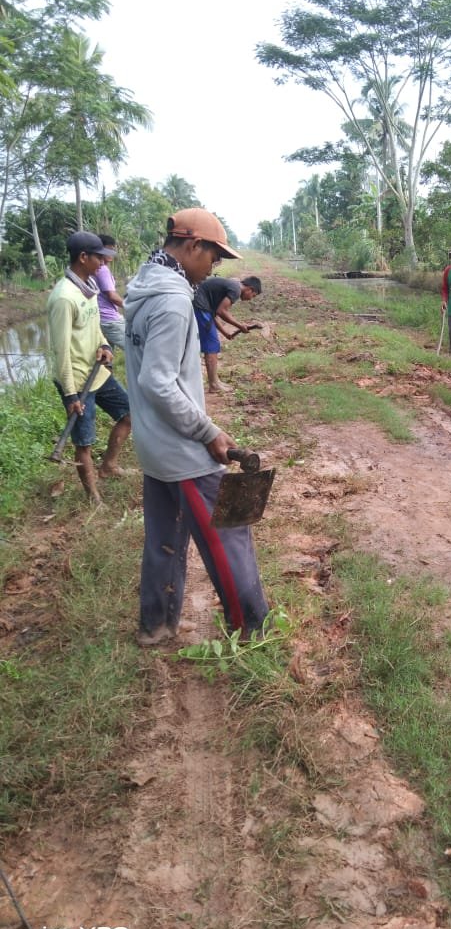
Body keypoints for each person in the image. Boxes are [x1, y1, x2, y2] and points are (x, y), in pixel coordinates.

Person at [123, 208, 270, 646]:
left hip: (153, 446)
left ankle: (157, 625)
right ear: (192, 246)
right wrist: (208, 432)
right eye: (213, 258)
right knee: (229, 535)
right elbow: (158, 382)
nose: (214, 268)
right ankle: (253, 629)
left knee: (164, 539)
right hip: (182, 450)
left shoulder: (143, 290)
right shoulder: (171, 301)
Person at [47, 231, 132, 504]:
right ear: (83, 257)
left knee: (130, 414)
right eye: (99, 258)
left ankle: (108, 466)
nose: (103, 264)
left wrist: (105, 345)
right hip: (76, 379)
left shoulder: (89, 288)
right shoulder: (63, 298)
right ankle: (93, 496)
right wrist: (71, 395)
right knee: (84, 441)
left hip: (97, 373)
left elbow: (96, 328)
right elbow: (60, 351)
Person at [193, 273, 263, 392]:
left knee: (213, 344)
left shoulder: (232, 286)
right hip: (199, 307)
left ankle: (215, 381)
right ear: (250, 289)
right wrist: (240, 326)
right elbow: (221, 311)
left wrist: (225, 333)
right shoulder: (236, 289)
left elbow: (214, 314)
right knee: (212, 346)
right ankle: (214, 385)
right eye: (253, 295)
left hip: (201, 307)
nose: (251, 298)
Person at [94, 233, 126, 351]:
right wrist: (129, 305)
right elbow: (112, 296)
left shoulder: (98, 269)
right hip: (110, 319)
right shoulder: (102, 270)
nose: (112, 253)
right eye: (109, 250)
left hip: (101, 319)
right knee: (135, 348)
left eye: (113, 250)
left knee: (106, 355)